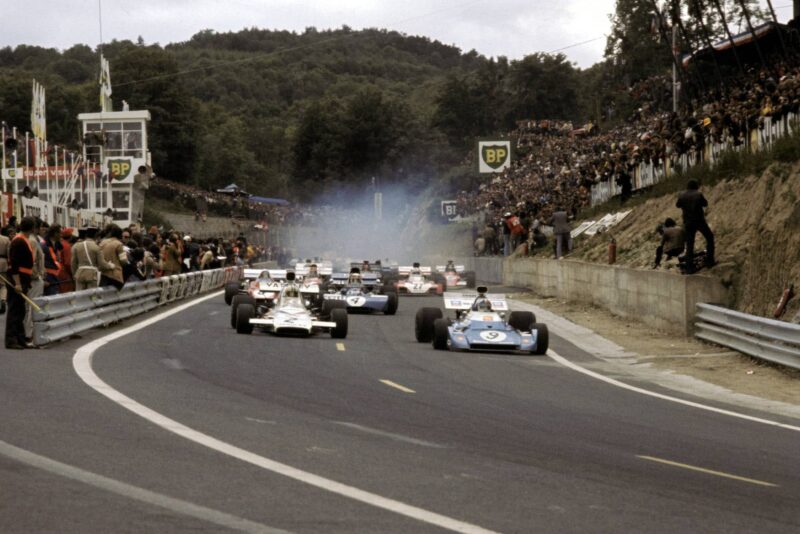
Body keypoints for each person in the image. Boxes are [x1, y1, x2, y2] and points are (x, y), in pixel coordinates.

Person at [6, 217, 36, 349]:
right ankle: (11, 340)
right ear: (32, 228)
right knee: (15, 310)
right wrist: (17, 283)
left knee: (21, 310)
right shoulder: (18, 241)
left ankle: (20, 338)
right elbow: (14, 264)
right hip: (17, 279)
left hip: (23, 279)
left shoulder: (23, 240)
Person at [676, 179, 715, 272]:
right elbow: (705, 204)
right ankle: (710, 261)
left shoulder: (682, 195)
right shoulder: (698, 194)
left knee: (690, 244)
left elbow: (677, 205)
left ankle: (689, 267)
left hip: (688, 223)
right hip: (699, 221)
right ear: (696, 186)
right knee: (709, 238)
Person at [24, 219, 46, 342]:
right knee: (32, 306)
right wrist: (36, 275)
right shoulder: (32, 241)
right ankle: (29, 333)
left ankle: (29, 332)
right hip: (34, 279)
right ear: (35, 228)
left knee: (31, 306)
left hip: (35, 277)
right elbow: (32, 261)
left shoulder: (34, 240)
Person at [99, 224, 129, 290]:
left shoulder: (102, 242)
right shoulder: (119, 244)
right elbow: (124, 261)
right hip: (115, 276)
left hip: (103, 274)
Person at [41, 224, 63, 296]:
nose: (61, 235)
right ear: (55, 233)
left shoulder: (56, 245)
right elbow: (40, 263)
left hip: (55, 277)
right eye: (60, 233)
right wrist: (43, 280)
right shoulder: (44, 246)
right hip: (48, 278)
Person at [0, 227, 9, 314]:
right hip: (3, 263)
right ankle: (3, 299)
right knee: (3, 285)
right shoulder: (5, 239)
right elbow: (9, 252)